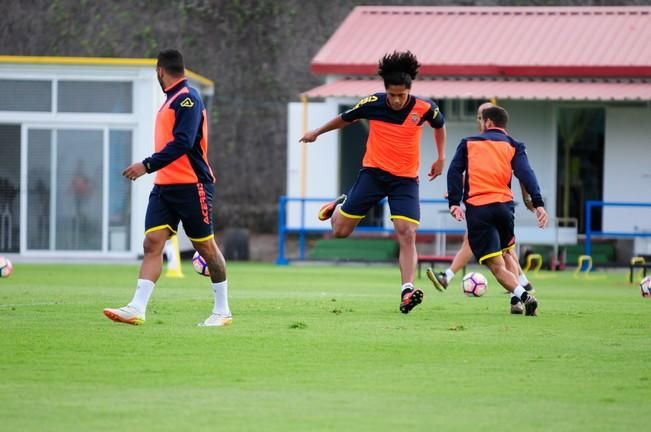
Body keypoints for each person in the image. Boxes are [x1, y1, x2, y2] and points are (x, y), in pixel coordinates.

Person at [299, 51, 447, 314]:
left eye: (402, 95)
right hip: (373, 175)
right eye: (392, 95)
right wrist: (316, 133)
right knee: (340, 232)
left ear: (409, 90)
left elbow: (439, 125)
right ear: (386, 91)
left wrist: (441, 157)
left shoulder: (426, 107)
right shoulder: (372, 103)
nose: (398, 100)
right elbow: (345, 118)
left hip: (405, 181)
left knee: (407, 232)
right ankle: (339, 205)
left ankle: (406, 290)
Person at [104, 49, 232, 327]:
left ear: (161, 71)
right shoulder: (170, 100)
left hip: (192, 185)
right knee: (152, 244)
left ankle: (222, 311)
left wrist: (147, 165)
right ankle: (136, 308)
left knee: (205, 247)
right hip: (164, 187)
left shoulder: (188, 98)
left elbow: (184, 142)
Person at [427, 102, 535, 314]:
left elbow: (521, 174)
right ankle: (519, 293)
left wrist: (528, 198)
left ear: (489, 121)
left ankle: (520, 291)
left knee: (500, 256)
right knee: (504, 253)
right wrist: (458, 192)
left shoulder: (493, 144)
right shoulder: (502, 144)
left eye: (479, 118)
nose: (478, 122)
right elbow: (515, 173)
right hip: (500, 206)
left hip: (486, 205)